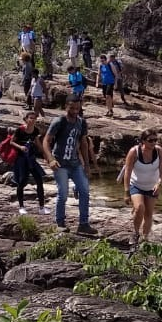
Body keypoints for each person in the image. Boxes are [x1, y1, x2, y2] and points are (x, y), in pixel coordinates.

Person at [44, 97, 98, 234]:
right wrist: (50, 159)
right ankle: (60, 222)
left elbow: (84, 144)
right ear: (66, 106)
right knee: (63, 194)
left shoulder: (81, 123)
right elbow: (46, 141)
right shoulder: (59, 121)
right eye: (72, 108)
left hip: (75, 164)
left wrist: (86, 165)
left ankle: (84, 224)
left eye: (77, 108)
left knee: (85, 191)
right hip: (60, 164)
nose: (74, 111)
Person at [120, 128, 162, 245]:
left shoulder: (159, 151)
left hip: (151, 186)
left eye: (155, 140)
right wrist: (126, 192)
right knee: (140, 207)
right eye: (151, 140)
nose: (154, 143)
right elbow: (128, 172)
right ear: (143, 141)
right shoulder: (134, 152)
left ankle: (145, 238)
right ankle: (135, 233)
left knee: (149, 213)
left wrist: (158, 183)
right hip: (136, 185)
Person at [7, 111, 47, 212]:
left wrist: (46, 155)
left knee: (39, 180)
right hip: (21, 159)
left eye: (34, 118)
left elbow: (38, 143)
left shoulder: (35, 131)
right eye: (31, 118)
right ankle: (21, 207)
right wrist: (20, 147)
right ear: (26, 119)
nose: (33, 120)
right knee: (22, 182)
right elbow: (11, 142)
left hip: (31, 158)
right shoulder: (20, 130)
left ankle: (42, 207)